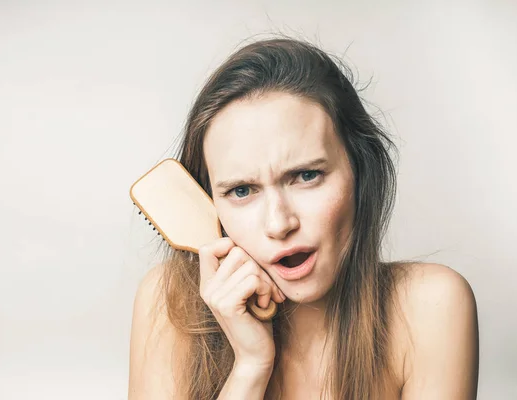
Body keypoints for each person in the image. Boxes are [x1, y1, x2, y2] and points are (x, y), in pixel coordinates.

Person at [128, 37, 479, 400]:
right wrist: (250, 367)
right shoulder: (169, 305)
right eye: (242, 191)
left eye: (306, 175)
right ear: (210, 204)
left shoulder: (430, 308)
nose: (279, 224)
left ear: (360, 172)